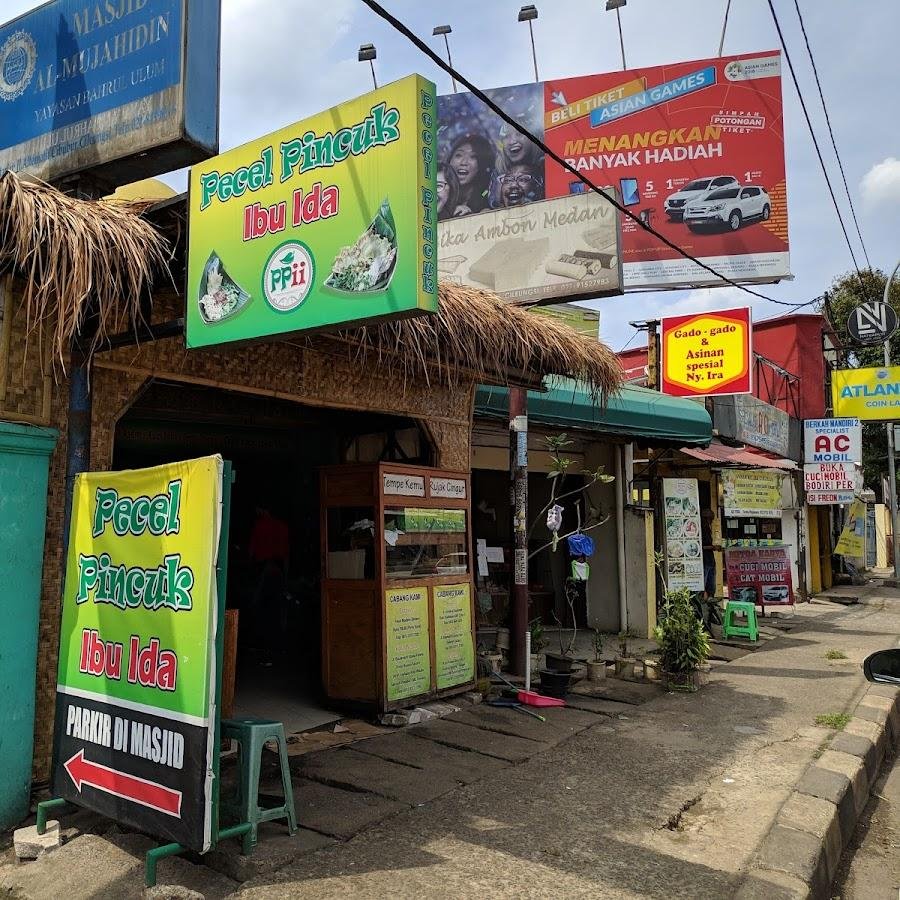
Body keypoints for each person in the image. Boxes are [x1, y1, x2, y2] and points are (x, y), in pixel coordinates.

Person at [447, 133, 495, 216]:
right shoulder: (439, 193)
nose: (464, 162)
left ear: (481, 165)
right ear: (450, 160)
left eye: (473, 157)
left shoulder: (487, 196)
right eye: (459, 155)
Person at [700, 508, 718, 600]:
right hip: (705, 560)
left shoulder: (708, 529)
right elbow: (700, 546)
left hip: (710, 560)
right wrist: (713, 547)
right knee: (704, 586)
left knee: (711, 586)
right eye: (710, 519)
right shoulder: (701, 529)